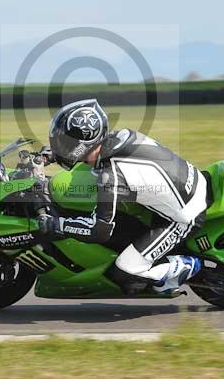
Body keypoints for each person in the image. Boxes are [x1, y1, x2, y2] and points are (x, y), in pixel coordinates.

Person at [38, 98, 205, 294]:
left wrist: (58, 225)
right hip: (188, 185)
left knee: (125, 274)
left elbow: (99, 231)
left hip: (185, 217)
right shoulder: (119, 137)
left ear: (81, 142)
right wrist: (54, 155)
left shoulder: (111, 177)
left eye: (63, 142)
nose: (58, 145)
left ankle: (183, 266)